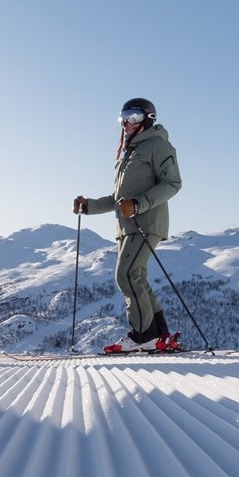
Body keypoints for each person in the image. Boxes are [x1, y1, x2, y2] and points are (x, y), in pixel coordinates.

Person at [73, 97, 183, 353]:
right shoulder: (130, 152)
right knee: (138, 278)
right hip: (127, 226)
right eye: (123, 117)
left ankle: (142, 336)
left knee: (126, 275)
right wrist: (89, 205)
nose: (126, 122)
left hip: (146, 222)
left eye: (133, 116)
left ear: (148, 119)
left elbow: (172, 183)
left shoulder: (157, 146)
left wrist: (138, 205)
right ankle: (159, 335)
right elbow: (118, 199)